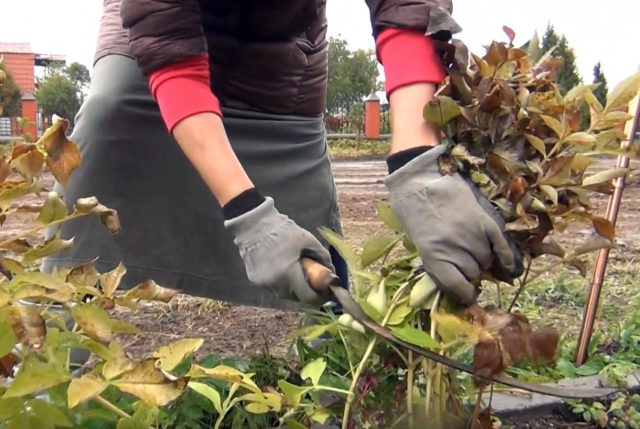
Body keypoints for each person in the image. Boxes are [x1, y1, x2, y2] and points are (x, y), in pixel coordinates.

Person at [43, 0, 522, 311]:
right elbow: (170, 49)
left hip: (280, 61)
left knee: (317, 254)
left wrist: (418, 158)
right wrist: (248, 216)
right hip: (151, 58)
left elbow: (406, 6)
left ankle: (345, 375)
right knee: (100, 164)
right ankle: (52, 371)